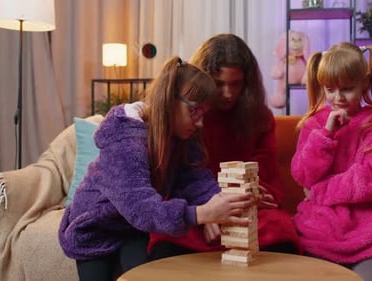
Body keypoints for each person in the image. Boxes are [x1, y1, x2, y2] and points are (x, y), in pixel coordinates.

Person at [58, 56, 255, 281]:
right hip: (95, 228)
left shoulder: (181, 137)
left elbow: (194, 178)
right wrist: (202, 213)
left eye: (204, 114)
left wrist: (216, 201)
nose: (200, 123)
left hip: (130, 228)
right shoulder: (125, 141)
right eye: (195, 111)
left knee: (147, 274)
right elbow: (142, 208)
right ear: (170, 101)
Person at [148, 33, 300, 260]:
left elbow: (265, 175)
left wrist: (241, 201)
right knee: (167, 240)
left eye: (236, 84)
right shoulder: (186, 116)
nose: (228, 94)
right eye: (219, 84)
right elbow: (175, 176)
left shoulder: (260, 117)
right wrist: (208, 211)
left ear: (247, 83)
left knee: (282, 233)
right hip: (194, 206)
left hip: (246, 208)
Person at [291, 42, 372, 281]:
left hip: (367, 227)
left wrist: (320, 191)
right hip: (320, 226)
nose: (337, 97)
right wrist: (326, 135)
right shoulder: (314, 124)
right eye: (330, 89)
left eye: (346, 88)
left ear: (364, 83)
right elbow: (302, 175)